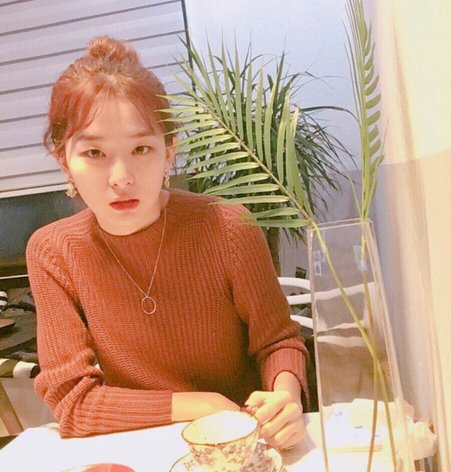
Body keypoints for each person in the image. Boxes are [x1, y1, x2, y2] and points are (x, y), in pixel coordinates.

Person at [26, 36, 309, 449]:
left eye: (141, 148)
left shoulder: (229, 227)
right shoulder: (53, 251)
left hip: (242, 443)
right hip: (141, 447)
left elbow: (278, 341)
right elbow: (73, 402)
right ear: (63, 159)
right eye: (94, 153)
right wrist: (204, 405)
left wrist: (286, 397)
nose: (121, 177)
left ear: (169, 151)